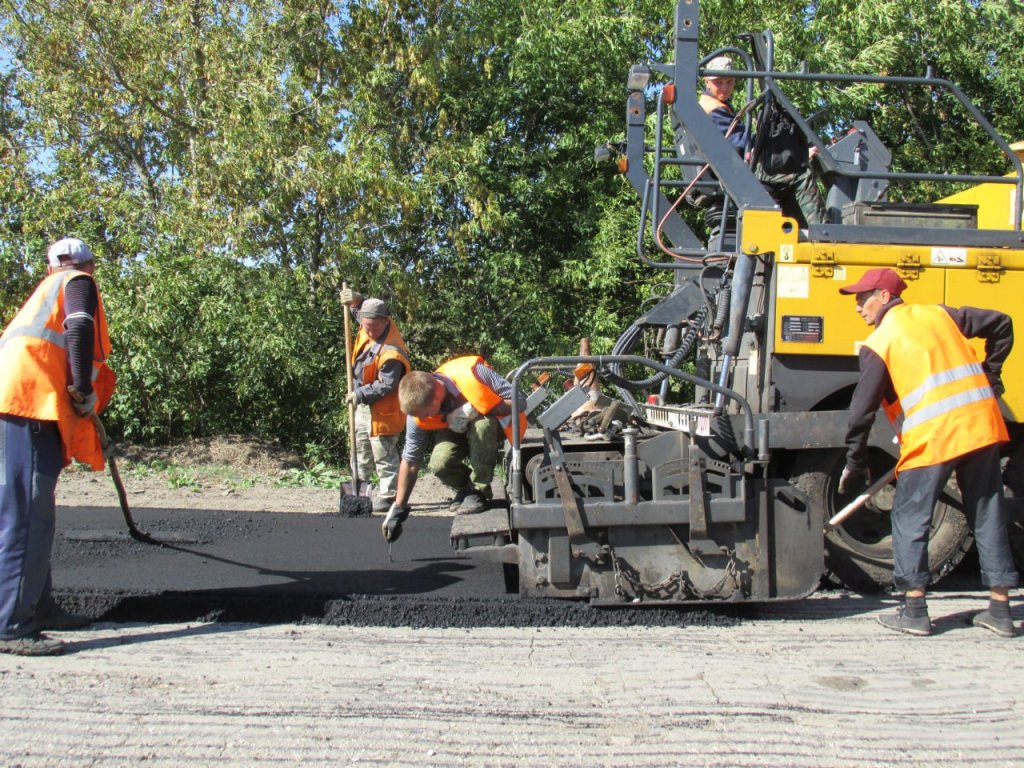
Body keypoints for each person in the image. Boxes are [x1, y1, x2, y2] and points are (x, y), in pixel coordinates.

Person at [838, 267, 1018, 637]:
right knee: (987, 512)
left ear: (884, 297)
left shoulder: (881, 341)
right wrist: (992, 375)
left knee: (911, 518)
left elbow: (860, 413)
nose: (857, 306)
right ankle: (1000, 611)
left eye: (862, 297)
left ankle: (915, 610)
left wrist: (855, 463)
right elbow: (1002, 322)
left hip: (934, 438)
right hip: (980, 426)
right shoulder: (940, 314)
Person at [0, 237, 116, 656]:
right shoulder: (77, 283)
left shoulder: (43, 291)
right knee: (28, 515)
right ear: (91, 265)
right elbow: (80, 325)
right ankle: (12, 624)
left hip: (18, 403)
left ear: (49, 266)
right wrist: (83, 387)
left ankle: (39, 605)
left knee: (31, 510)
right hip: (29, 405)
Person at [381, 355, 526, 543]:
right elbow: (410, 460)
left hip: (493, 425)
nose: (422, 419)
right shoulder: (417, 408)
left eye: (425, 414)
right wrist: (398, 508)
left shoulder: (474, 374)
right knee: (440, 463)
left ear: (436, 398)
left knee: (482, 426)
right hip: (457, 428)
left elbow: (520, 402)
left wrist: (475, 409)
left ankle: (479, 490)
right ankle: (466, 488)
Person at [696, 55, 826, 238]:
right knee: (798, 175)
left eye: (729, 81)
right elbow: (740, 144)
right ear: (707, 82)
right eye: (719, 82)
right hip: (730, 175)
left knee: (787, 176)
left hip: (730, 171)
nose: (725, 87)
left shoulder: (717, 106)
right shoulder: (713, 110)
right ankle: (825, 236)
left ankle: (797, 236)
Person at [339, 289, 410, 513]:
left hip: (384, 408)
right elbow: (360, 309)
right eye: (365, 326)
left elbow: (387, 385)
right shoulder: (367, 324)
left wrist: (359, 394)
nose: (368, 331)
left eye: (373, 327)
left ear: (386, 322)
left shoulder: (392, 351)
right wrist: (355, 299)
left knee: (384, 452)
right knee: (359, 449)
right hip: (362, 404)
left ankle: (389, 496)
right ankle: (359, 489)